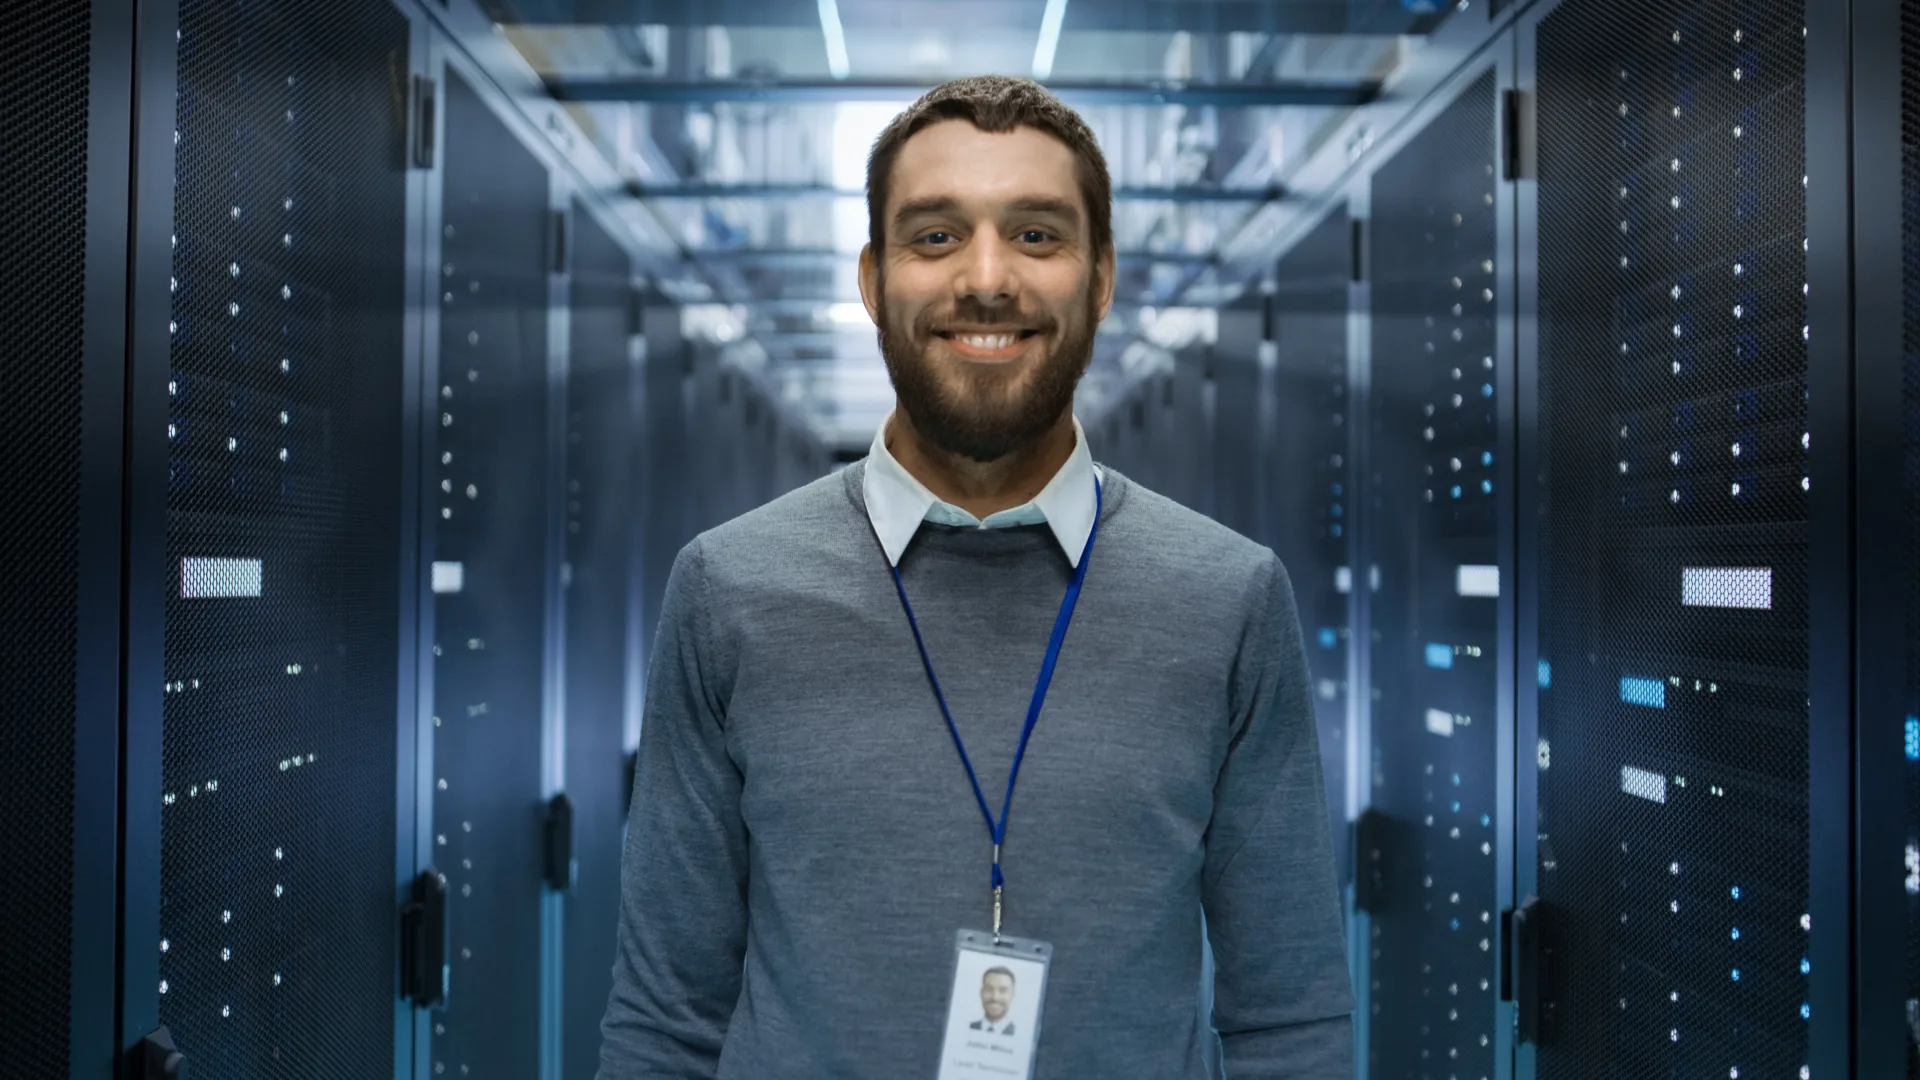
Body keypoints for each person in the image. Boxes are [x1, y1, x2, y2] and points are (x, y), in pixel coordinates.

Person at [599, 75, 1353, 1079]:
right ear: (873, 280)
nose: (987, 278)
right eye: (936, 236)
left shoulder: (1230, 598)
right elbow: (664, 1023)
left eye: (1037, 234)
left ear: (1101, 279)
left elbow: (1288, 1023)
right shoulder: (728, 588)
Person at [969, 967, 1018, 1036]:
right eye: (989, 989)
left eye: (1002, 990)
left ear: (1012, 995)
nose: (995, 997)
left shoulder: (1019, 1035)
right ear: (981, 992)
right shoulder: (967, 1028)